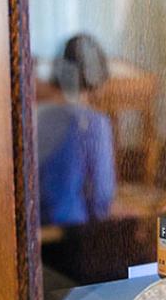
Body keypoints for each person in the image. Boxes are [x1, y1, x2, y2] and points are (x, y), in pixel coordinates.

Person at [36, 33, 116, 226]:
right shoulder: (95, 123)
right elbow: (102, 196)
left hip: (36, 230)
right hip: (73, 233)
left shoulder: (38, 116)